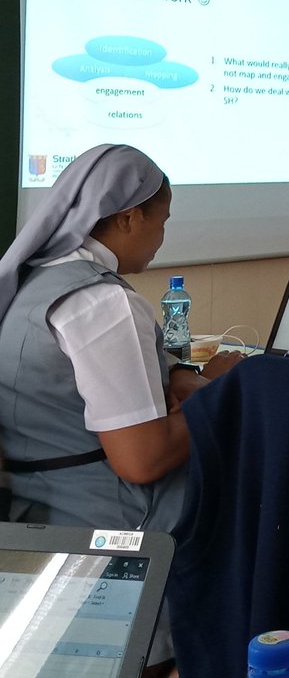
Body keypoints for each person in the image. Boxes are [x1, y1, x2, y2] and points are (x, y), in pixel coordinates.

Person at [0, 145, 241, 675]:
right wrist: (224, 391)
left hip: (33, 513)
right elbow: (142, 459)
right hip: (110, 528)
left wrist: (177, 374)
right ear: (130, 217)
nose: (162, 238)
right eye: (162, 222)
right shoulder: (103, 303)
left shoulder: (33, 285)